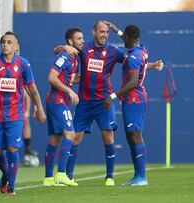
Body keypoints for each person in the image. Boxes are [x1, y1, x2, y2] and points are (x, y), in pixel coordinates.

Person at [57, 21, 162, 186]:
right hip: (84, 102)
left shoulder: (113, 51)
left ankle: (110, 177)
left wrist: (152, 66)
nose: (104, 35)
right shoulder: (84, 48)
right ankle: (68, 176)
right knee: (75, 137)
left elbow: (132, 62)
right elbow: (60, 50)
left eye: (106, 32)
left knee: (108, 136)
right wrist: (64, 47)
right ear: (94, 31)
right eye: (101, 31)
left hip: (104, 101)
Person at [0, 31, 46, 195]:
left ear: (16, 47)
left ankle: (11, 187)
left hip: (15, 113)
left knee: (12, 148)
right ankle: (6, 175)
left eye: (9, 42)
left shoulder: (23, 64)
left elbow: (32, 88)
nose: (5, 44)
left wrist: (39, 107)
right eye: (3, 42)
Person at [104, 24, 162, 186]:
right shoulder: (142, 49)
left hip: (134, 99)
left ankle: (141, 177)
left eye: (124, 39)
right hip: (134, 99)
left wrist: (113, 96)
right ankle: (137, 175)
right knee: (131, 135)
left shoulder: (133, 57)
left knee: (135, 135)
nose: (123, 41)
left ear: (130, 39)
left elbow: (133, 82)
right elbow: (127, 38)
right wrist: (116, 30)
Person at [43, 28, 82, 187]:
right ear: (70, 41)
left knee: (54, 139)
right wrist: (69, 90)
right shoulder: (64, 56)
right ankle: (61, 174)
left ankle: (48, 179)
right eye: (79, 38)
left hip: (59, 101)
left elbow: (70, 78)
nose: (82, 41)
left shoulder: (75, 58)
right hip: (57, 100)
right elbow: (51, 77)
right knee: (70, 134)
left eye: (82, 38)